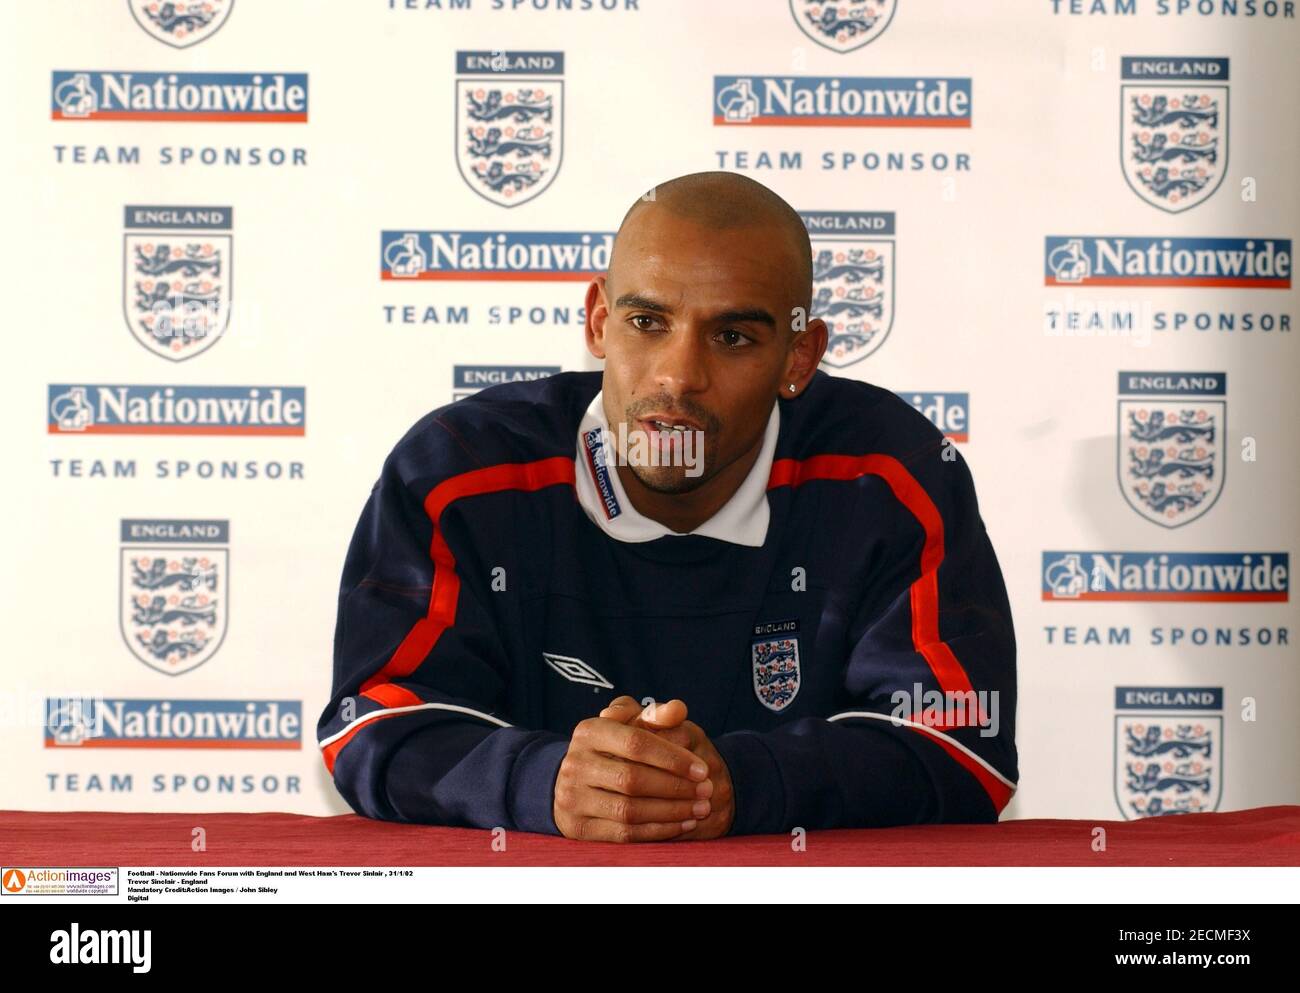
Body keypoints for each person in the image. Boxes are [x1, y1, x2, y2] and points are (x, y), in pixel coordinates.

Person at [318, 171, 1018, 842]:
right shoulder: (459, 474)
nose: (679, 376)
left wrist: (737, 784)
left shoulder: (891, 478)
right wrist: (547, 779)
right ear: (598, 322)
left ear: (799, 358)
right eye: (648, 321)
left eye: (733, 336)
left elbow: (960, 740)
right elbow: (372, 719)